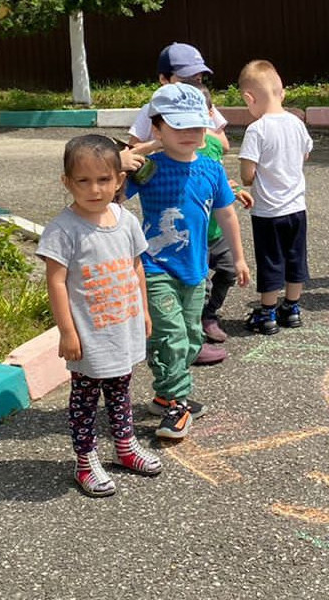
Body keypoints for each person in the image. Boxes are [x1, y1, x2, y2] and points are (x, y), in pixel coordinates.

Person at [37, 135, 161, 497]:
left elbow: (136, 267)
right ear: (67, 182)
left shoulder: (127, 221)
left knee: (121, 390)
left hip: (122, 327)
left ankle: (125, 446)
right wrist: (67, 332)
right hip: (88, 335)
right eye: (83, 181)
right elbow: (56, 282)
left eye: (104, 179)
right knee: (85, 399)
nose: (94, 189)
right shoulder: (64, 230)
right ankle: (85, 459)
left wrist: (144, 310)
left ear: (119, 179)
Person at [125, 83, 250, 440]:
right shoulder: (148, 168)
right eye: (178, 126)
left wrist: (240, 258)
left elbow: (227, 214)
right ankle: (177, 405)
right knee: (171, 335)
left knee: (192, 337)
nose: (189, 134)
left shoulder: (211, 169)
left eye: (197, 126)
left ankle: (164, 395)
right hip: (155, 267)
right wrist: (133, 155)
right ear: (157, 127)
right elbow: (110, 194)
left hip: (195, 270)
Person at [127, 42, 230, 365]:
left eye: (198, 77)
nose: (194, 83)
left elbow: (221, 141)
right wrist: (154, 147)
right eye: (186, 78)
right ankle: (174, 368)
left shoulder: (201, 106)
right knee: (173, 325)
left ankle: (198, 328)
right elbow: (130, 156)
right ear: (164, 78)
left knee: (206, 283)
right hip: (159, 251)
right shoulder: (154, 112)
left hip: (202, 223)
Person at [237, 60, 314, 334]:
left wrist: (249, 177)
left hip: (268, 212)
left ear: (250, 98)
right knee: (295, 257)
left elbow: (247, 175)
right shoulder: (296, 123)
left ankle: (267, 313)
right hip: (296, 207)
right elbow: (305, 154)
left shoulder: (256, 129)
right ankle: (292, 308)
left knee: (270, 260)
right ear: (282, 93)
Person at [196, 86, 253, 351]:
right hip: (194, 235)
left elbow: (219, 178)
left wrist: (234, 190)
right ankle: (195, 327)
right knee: (200, 284)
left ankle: (209, 314)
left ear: (210, 114)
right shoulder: (175, 151)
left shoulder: (214, 145)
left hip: (216, 230)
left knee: (229, 270)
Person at [127, 42, 230, 154]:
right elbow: (132, 148)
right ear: (163, 79)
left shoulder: (202, 105)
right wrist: (161, 142)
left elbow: (224, 146)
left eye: (197, 80)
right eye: (184, 81)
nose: (191, 86)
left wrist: (199, 129)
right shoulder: (152, 109)